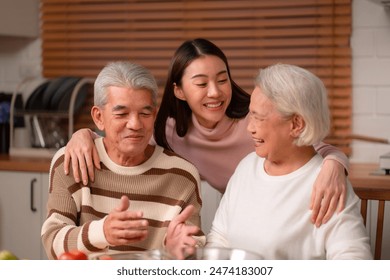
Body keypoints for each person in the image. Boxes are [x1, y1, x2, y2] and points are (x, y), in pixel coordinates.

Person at [63, 38, 348, 228]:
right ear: (178, 90)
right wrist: (82, 135)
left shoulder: (255, 121)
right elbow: (125, 134)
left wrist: (334, 166)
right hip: (243, 221)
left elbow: (315, 145)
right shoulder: (172, 132)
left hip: (296, 214)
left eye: (222, 79)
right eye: (201, 83)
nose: (215, 92)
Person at [205, 63, 372, 259]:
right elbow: (219, 238)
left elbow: (354, 261)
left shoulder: (327, 185)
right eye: (251, 115)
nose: (249, 128)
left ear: (296, 124)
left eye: (258, 118)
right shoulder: (247, 166)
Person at [41, 61, 204, 260]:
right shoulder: (72, 161)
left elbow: (194, 251)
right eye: (121, 114)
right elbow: (52, 241)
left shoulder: (183, 176)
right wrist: (102, 233)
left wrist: (176, 252)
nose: (135, 124)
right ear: (98, 117)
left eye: (144, 113)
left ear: (154, 115)